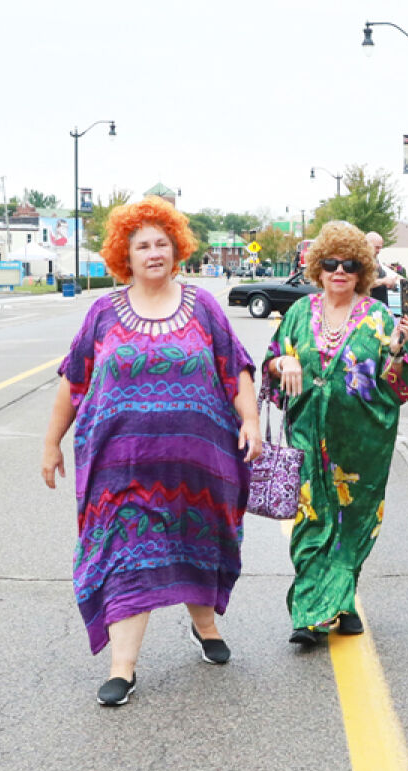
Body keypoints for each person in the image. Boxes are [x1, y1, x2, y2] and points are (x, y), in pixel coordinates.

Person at [41, 196, 262, 707]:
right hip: (121, 471)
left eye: (162, 242)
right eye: (142, 245)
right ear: (126, 254)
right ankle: (124, 667)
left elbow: (237, 369)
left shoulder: (202, 307)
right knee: (124, 553)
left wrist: (250, 419)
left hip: (200, 466)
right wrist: (51, 444)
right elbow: (74, 383)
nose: (154, 252)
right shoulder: (102, 313)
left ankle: (205, 627)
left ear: (176, 248)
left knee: (194, 544)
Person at [262, 221, 408, 646]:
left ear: (362, 272)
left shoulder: (378, 317)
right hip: (307, 435)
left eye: (350, 265)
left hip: (362, 441)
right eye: (332, 263)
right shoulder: (300, 313)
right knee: (311, 519)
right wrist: (285, 365)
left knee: (353, 522)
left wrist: (395, 349)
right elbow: (271, 362)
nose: (340, 271)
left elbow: (402, 383)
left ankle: (343, 600)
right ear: (318, 267)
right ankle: (310, 615)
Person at [365, 231, 404, 305]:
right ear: (366, 244)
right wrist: (383, 281)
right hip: (368, 308)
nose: (379, 251)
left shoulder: (375, 260)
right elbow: (362, 284)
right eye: (376, 247)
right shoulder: (360, 262)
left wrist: (391, 283)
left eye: (380, 248)